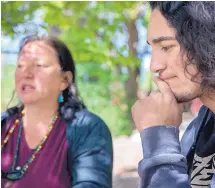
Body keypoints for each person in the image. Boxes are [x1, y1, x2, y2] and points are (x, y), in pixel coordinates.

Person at [1, 35, 113, 188]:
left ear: (65, 80)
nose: (26, 73)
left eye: (39, 65)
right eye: (20, 65)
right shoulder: (4, 126)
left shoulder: (86, 128)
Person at [131, 2, 215, 187]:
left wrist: (159, 143)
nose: (154, 66)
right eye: (152, 49)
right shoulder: (199, 127)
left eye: (167, 47)